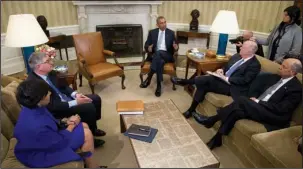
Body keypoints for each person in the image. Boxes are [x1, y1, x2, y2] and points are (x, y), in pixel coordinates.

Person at [193, 58, 302, 150]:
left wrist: (259, 102)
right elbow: (261, 89)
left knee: (241, 100)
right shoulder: (277, 77)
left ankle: (212, 119)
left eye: (284, 67)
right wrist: (256, 99)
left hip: (275, 115)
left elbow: (282, 108)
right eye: (281, 65)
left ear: (293, 72)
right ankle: (217, 139)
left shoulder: (296, 88)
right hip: (261, 106)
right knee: (237, 111)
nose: (280, 67)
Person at [14, 80, 106, 168]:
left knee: (84, 125)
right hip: (41, 153)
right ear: (40, 98)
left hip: (45, 141)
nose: (50, 93)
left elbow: (49, 122)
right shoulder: (37, 125)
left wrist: (65, 121)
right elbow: (58, 143)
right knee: (87, 134)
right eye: (47, 92)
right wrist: (72, 124)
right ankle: (93, 167)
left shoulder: (34, 107)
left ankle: (89, 164)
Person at [26, 52, 105, 147]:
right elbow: (52, 106)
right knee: (88, 107)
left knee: (95, 98)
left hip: (65, 99)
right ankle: (91, 137)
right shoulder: (34, 83)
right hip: (57, 109)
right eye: (47, 61)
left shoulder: (50, 72)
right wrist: (76, 102)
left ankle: (93, 127)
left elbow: (64, 86)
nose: (51, 62)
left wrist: (75, 94)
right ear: (39, 66)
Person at [171, 41, 261, 119]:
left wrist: (227, 78)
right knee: (203, 84)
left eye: (243, 47)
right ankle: (191, 110)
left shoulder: (254, 65)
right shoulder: (237, 56)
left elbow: (245, 80)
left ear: (250, 51)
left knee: (206, 80)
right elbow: (227, 66)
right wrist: (221, 69)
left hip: (232, 87)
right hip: (223, 79)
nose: (240, 47)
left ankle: (185, 82)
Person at [140, 16, 179, 97]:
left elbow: (176, 46)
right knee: (159, 61)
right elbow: (146, 45)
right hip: (156, 56)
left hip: (167, 55)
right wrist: (149, 48)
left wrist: (176, 47)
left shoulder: (171, 33)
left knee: (158, 53)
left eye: (165, 22)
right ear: (157, 24)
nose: (164, 24)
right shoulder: (152, 32)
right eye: (161, 23)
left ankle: (149, 77)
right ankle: (159, 86)